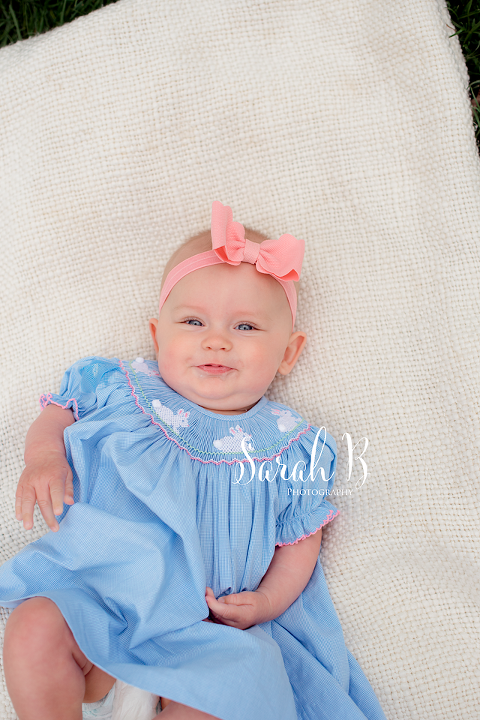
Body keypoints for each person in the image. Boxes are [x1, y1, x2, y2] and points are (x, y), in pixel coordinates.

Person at [0, 202, 386, 720]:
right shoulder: (123, 388)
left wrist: (267, 603)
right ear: (158, 335)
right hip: (102, 599)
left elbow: (300, 538)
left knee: (241, 688)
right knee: (34, 627)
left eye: (246, 327)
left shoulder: (290, 445)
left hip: (208, 632)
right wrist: (45, 456)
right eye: (193, 321)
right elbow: (60, 412)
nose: (216, 340)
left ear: (288, 353)